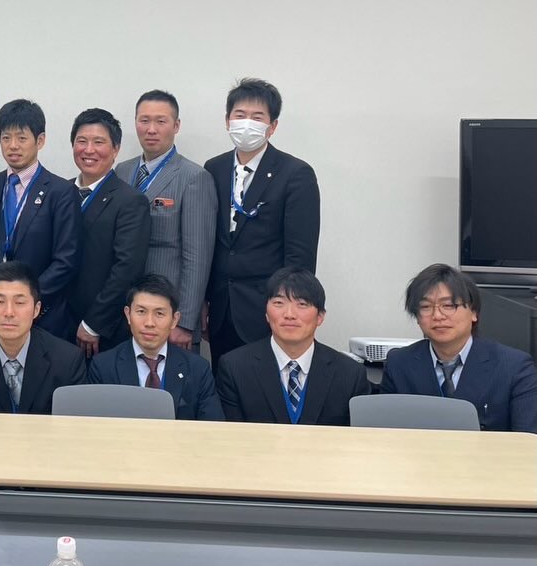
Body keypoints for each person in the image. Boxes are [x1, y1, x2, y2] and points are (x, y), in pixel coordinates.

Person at [0, 261, 86, 534]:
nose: (9, 312)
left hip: (47, 483)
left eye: (20, 302)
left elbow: (73, 439)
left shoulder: (67, 360)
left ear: (36, 309)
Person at [204, 79, 320, 369]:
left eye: (257, 117)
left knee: (263, 386)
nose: (247, 124)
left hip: (267, 311)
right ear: (227, 120)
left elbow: (300, 256)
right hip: (220, 309)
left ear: (273, 126)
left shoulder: (295, 173)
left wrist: (287, 308)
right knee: (225, 383)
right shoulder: (214, 169)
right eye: (240, 115)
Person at [0, 99, 81, 338]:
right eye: (6, 138)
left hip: (41, 318)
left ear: (40, 140)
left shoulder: (61, 191)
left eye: (22, 138)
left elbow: (66, 260)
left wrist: (25, 302)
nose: (13, 146)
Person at [114, 90, 216, 352]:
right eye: (144, 120)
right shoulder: (122, 171)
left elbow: (198, 257)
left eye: (161, 121)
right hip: (125, 308)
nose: (151, 129)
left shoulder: (194, 177)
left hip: (167, 312)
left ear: (176, 125)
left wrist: (185, 321)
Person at [382, 264, 536, 433]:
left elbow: (527, 440)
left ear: (474, 312)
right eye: (425, 307)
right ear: (417, 317)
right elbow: (384, 433)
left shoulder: (514, 367)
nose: (437, 316)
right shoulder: (399, 364)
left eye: (449, 305)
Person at [216, 268, 368, 426]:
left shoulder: (350, 374)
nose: (289, 314)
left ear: (320, 317)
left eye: (302, 304)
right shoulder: (235, 368)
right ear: (266, 313)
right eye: (279, 303)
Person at [68, 108, 150, 354]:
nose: (89, 150)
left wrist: (94, 323)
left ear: (115, 149)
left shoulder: (130, 201)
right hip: (56, 322)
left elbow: (127, 269)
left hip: (101, 330)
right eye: (82, 141)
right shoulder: (60, 192)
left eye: (99, 142)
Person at [88, 274, 223, 420]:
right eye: (141, 312)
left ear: (174, 320)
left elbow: (213, 427)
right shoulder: (103, 367)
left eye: (159, 313)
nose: (149, 323)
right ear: (128, 314)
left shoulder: (197, 369)